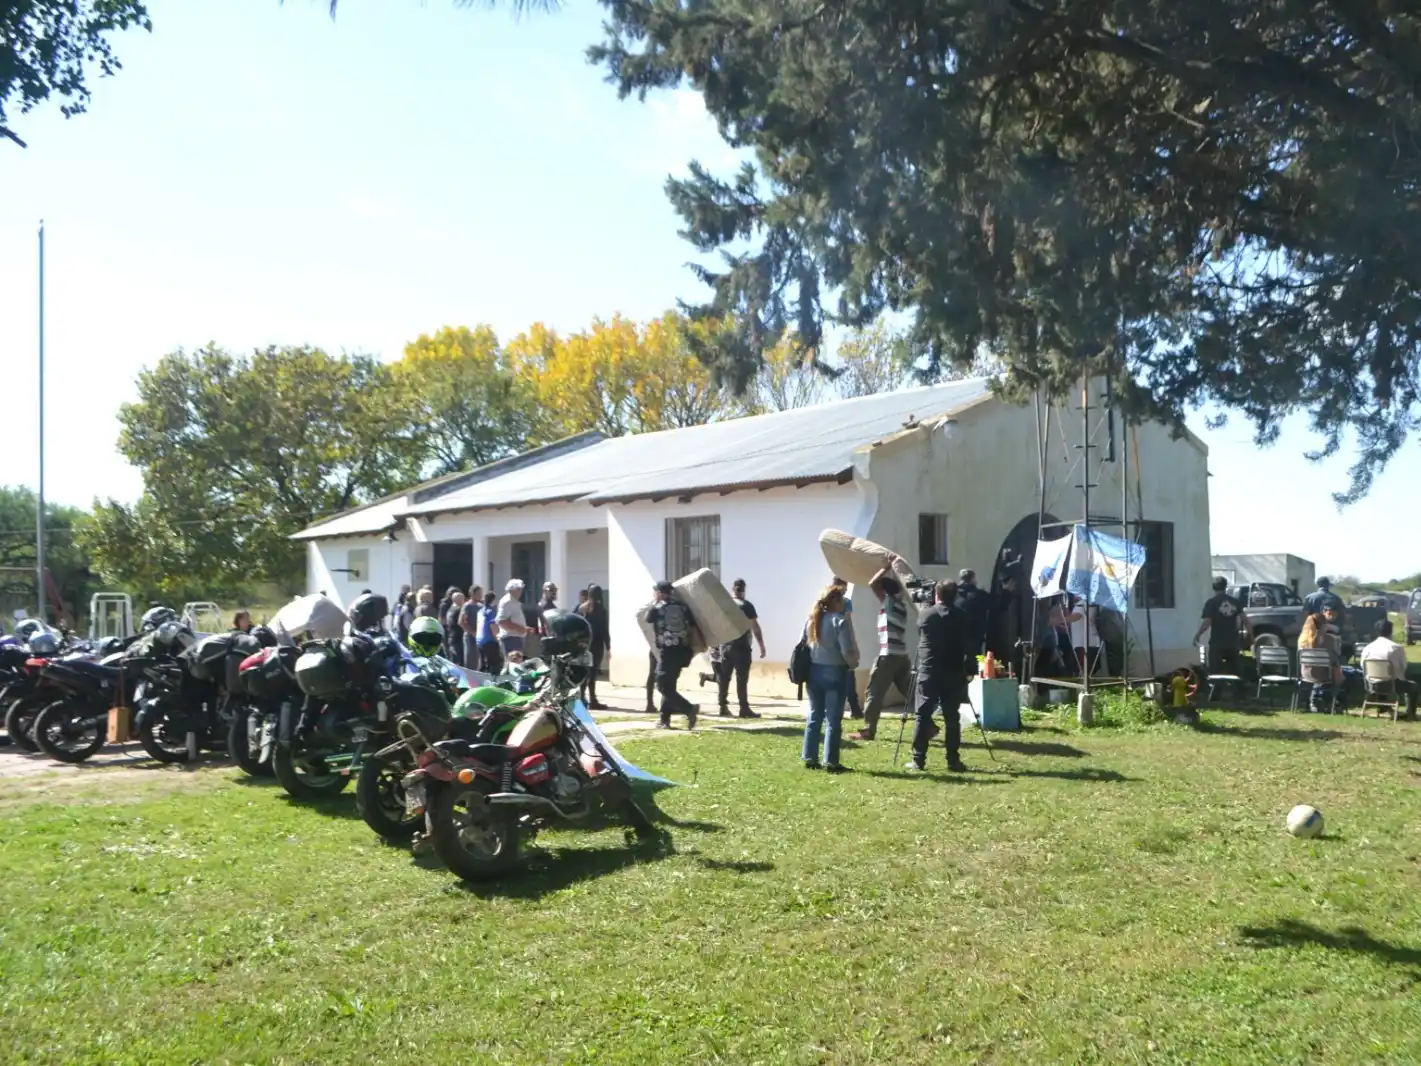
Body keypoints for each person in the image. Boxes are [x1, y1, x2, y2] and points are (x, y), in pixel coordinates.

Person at [909, 580, 975, 772]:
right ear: (955, 596)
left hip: (929, 670)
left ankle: (918, 759)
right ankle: (953, 760)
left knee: (922, 715)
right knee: (951, 718)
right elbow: (968, 642)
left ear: (936, 595)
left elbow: (920, 631)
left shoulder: (926, 615)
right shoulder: (962, 616)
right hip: (953, 671)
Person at [849, 556, 913, 742]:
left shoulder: (889, 603)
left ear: (885, 593)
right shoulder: (901, 606)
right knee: (910, 693)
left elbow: (873, 583)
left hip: (888, 656)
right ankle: (928, 725)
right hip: (902, 656)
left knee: (873, 694)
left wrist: (886, 567)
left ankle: (869, 730)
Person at [801, 584, 859, 772]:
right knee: (833, 719)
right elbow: (846, 650)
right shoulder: (839, 621)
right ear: (835, 600)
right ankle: (831, 761)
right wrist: (853, 663)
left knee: (815, 714)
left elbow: (803, 645)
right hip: (835, 671)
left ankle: (810, 757)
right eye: (841, 598)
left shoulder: (811, 621)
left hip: (813, 672)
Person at [640, 581, 698, 729]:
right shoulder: (683, 607)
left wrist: (655, 602)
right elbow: (692, 625)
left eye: (656, 592)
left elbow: (647, 618)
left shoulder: (658, 607)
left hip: (667, 651)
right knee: (670, 685)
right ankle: (664, 720)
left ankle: (689, 708)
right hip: (683, 651)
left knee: (662, 685)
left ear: (660, 593)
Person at [713, 578, 766, 718]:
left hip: (725, 646)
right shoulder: (746, 606)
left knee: (724, 678)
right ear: (743, 590)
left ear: (733, 589)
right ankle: (744, 708)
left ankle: (722, 707)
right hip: (741, 646)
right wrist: (761, 645)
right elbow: (755, 627)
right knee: (741, 679)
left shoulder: (724, 605)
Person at [1193, 577, 1251, 689]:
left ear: (1213, 587)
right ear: (1225, 587)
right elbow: (1245, 620)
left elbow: (1207, 621)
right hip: (1233, 641)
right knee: (1235, 668)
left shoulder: (1212, 603)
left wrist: (1198, 634)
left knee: (1215, 669)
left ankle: (1216, 693)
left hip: (1217, 641)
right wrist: (1251, 636)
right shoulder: (1235, 602)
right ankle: (1239, 693)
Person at [1360, 619, 1417, 718]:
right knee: (1413, 686)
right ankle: (1410, 713)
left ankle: (1384, 708)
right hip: (1391, 684)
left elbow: (1363, 665)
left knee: (1382, 680)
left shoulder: (1367, 648)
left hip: (1372, 684)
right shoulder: (1395, 648)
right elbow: (1403, 667)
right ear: (1391, 631)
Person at [830, 576, 865, 719]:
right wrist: (853, 642)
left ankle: (849, 708)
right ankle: (854, 709)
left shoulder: (827, 602)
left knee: (846, 675)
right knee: (849, 675)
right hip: (842, 640)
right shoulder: (845, 602)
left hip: (831, 642)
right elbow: (848, 622)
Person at [1298, 611, 1341, 712]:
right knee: (1344, 674)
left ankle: (1318, 699)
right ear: (1324, 625)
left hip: (1305, 674)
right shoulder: (1329, 640)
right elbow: (1335, 658)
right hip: (1323, 675)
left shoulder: (1302, 640)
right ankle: (1331, 702)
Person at [578, 584, 611, 709]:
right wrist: (608, 646)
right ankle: (592, 699)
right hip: (596, 644)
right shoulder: (601, 610)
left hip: (584, 644)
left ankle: (582, 698)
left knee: (584, 672)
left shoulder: (581, 608)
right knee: (592, 673)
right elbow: (604, 630)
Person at [955, 569, 990, 655]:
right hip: (975, 636)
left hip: (956, 635)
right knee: (974, 661)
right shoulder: (979, 595)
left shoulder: (954, 594)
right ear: (972, 579)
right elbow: (997, 605)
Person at [496, 580, 530, 659]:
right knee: (513, 664)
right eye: (518, 589)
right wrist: (519, 628)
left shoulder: (512, 601)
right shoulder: (508, 601)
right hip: (511, 639)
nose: (520, 591)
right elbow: (501, 621)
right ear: (512, 590)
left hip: (514, 638)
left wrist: (524, 628)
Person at [478, 592, 503, 675]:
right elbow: (493, 625)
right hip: (490, 640)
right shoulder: (491, 611)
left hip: (480, 640)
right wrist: (497, 638)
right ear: (493, 600)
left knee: (483, 664)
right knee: (494, 664)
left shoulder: (480, 611)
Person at [460, 585, 483, 671]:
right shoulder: (467, 606)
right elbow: (461, 622)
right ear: (472, 594)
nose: (480, 595)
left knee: (479, 660)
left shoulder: (481, 606)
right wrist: (472, 631)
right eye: (478, 593)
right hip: (470, 636)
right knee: (470, 660)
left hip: (479, 636)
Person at [444, 591, 466, 665]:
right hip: (459, 637)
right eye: (462, 599)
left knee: (454, 659)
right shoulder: (459, 610)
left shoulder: (450, 610)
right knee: (459, 661)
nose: (464, 601)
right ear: (458, 600)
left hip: (451, 637)